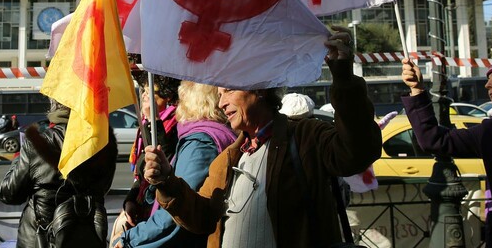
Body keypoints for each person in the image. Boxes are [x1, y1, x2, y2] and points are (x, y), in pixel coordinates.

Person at [142, 25, 382, 248]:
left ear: (258, 87)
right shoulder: (229, 158)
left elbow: (357, 152)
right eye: (219, 94)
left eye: (229, 90)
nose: (222, 102)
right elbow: (202, 218)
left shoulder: (306, 136)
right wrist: (166, 182)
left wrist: (344, 78)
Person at [400, 52, 492, 248]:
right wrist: (417, 89)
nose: (488, 85)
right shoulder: (491, 131)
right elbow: (434, 140)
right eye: (488, 78)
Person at [113, 81, 237, 247]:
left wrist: (128, 240)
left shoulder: (200, 142)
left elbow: (175, 213)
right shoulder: (202, 135)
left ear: (194, 100)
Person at [0, 98, 118, 248]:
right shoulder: (104, 142)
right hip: (87, 237)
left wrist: (19, 159)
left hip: (40, 239)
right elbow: (104, 188)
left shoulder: (39, 142)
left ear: (54, 105)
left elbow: (9, 194)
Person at [111, 75, 181, 243]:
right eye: (143, 90)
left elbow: (165, 161)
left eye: (150, 91)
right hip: (143, 203)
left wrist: (154, 120)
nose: (144, 95)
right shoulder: (144, 123)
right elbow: (142, 175)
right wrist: (130, 201)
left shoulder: (177, 122)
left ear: (167, 96)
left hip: (161, 209)